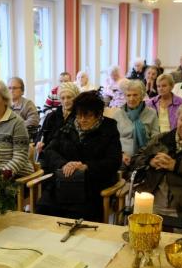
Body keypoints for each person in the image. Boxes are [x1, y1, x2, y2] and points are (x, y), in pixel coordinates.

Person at [36, 91, 122, 221]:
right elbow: (50, 150)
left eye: (87, 116)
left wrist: (86, 166)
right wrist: (64, 164)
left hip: (92, 183)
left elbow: (114, 161)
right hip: (65, 180)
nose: (82, 120)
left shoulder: (108, 128)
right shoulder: (69, 125)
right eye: (79, 115)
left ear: (98, 115)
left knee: (80, 215)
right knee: (44, 208)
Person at [111, 79, 160, 167]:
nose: (131, 98)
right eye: (128, 95)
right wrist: (121, 154)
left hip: (144, 155)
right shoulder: (118, 114)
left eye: (135, 95)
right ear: (125, 97)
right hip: (121, 156)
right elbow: (111, 141)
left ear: (141, 96)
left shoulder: (151, 113)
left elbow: (155, 137)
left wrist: (146, 156)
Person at [37, 82, 80, 152]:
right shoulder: (52, 116)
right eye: (62, 98)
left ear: (75, 98)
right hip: (47, 153)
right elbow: (41, 133)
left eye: (69, 97)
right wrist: (38, 142)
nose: (65, 101)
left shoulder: (79, 117)